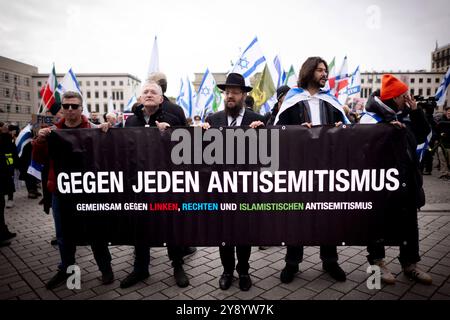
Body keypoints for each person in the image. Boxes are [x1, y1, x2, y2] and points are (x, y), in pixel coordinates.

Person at [275, 57, 347, 283]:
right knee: (297, 215)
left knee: (327, 214)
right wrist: (297, 130)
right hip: (299, 170)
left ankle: (330, 261)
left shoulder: (331, 101)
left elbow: (347, 131)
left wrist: (340, 129)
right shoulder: (293, 100)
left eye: (326, 70)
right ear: (308, 72)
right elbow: (278, 130)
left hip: (327, 169)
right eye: (320, 70)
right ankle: (292, 263)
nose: (325, 74)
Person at [32, 91, 114, 289]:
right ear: (61, 109)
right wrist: (40, 141)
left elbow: (110, 156)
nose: (70, 109)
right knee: (64, 235)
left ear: (81, 108)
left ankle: (106, 269)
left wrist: (108, 134)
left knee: (96, 233)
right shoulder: (52, 132)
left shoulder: (95, 129)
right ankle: (67, 270)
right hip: (62, 192)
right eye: (66, 106)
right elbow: (40, 159)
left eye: (74, 106)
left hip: (90, 192)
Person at [120, 81, 192, 289]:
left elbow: (184, 147)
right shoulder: (131, 121)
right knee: (140, 227)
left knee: (171, 226)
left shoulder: (171, 119)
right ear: (140, 98)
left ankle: (178, 266)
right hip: (140, 184)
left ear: (161, 99)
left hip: (166, 184)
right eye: (145, 92)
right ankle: (140, 268)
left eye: (154, 92)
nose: (149, 94)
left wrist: (166, 134)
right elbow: (125, 149)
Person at [363, 74, 432, 285]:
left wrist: (417, 112)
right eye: (404, 95)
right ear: (394, 97)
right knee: (377, 223)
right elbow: (364, 148)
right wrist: (388, 131)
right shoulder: (371, 117)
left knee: (410, 223)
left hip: (407, 180)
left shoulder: (406, 114)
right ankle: (377, 263)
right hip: (381, 183)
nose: (408, 98)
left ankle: (410, 263)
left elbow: (424, 136)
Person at [203, 73, 265, 291]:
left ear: (243, 95)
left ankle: (244, 270)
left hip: (246, 187)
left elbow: (266, 154)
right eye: (227, 92)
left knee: (244, 232)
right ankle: (227, 270)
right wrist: (200, 135)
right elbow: (204, 155)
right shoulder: (213, 119)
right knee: (224, 232)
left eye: (235, 92)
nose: (230, 96)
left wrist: (261, 133)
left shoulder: (257, 119)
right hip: (221, 187)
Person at [0, 122, 17, 245]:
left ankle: (3, 231)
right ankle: (2, 234)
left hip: (5, 173)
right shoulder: (4, 139)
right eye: (3, 127)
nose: (6, 128)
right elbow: (7, 149)